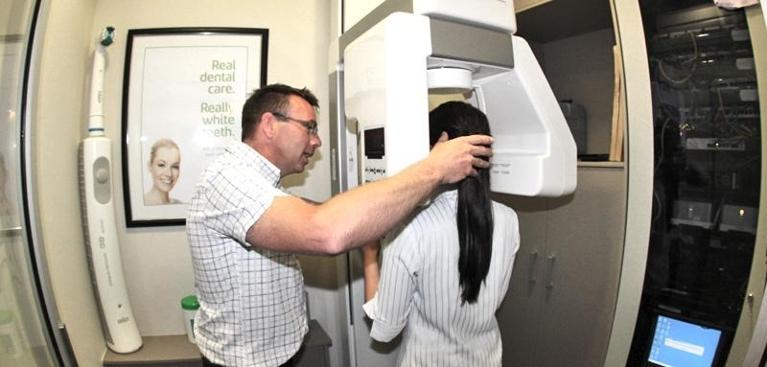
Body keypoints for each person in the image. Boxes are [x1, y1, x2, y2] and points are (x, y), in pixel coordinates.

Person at [186, 84, 493, 367]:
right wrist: (433, 169)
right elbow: (327, 233)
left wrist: (383, 215)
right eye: (309, 128)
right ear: (269, 124)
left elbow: (319, 213)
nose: (317, 141)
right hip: (245, 362)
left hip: (277, 353)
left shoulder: (261, 184)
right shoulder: (230, 180)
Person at [361, 101, 520, 366]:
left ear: (440, 144)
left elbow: (385, 330)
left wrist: (369, 256)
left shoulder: (412, 228)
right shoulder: (509, 219)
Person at [143, 138, 182, 205]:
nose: (169, 174)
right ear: (150, 166)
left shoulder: (180, 205)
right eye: (161, 165)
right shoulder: (140, 204)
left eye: (175, 166)